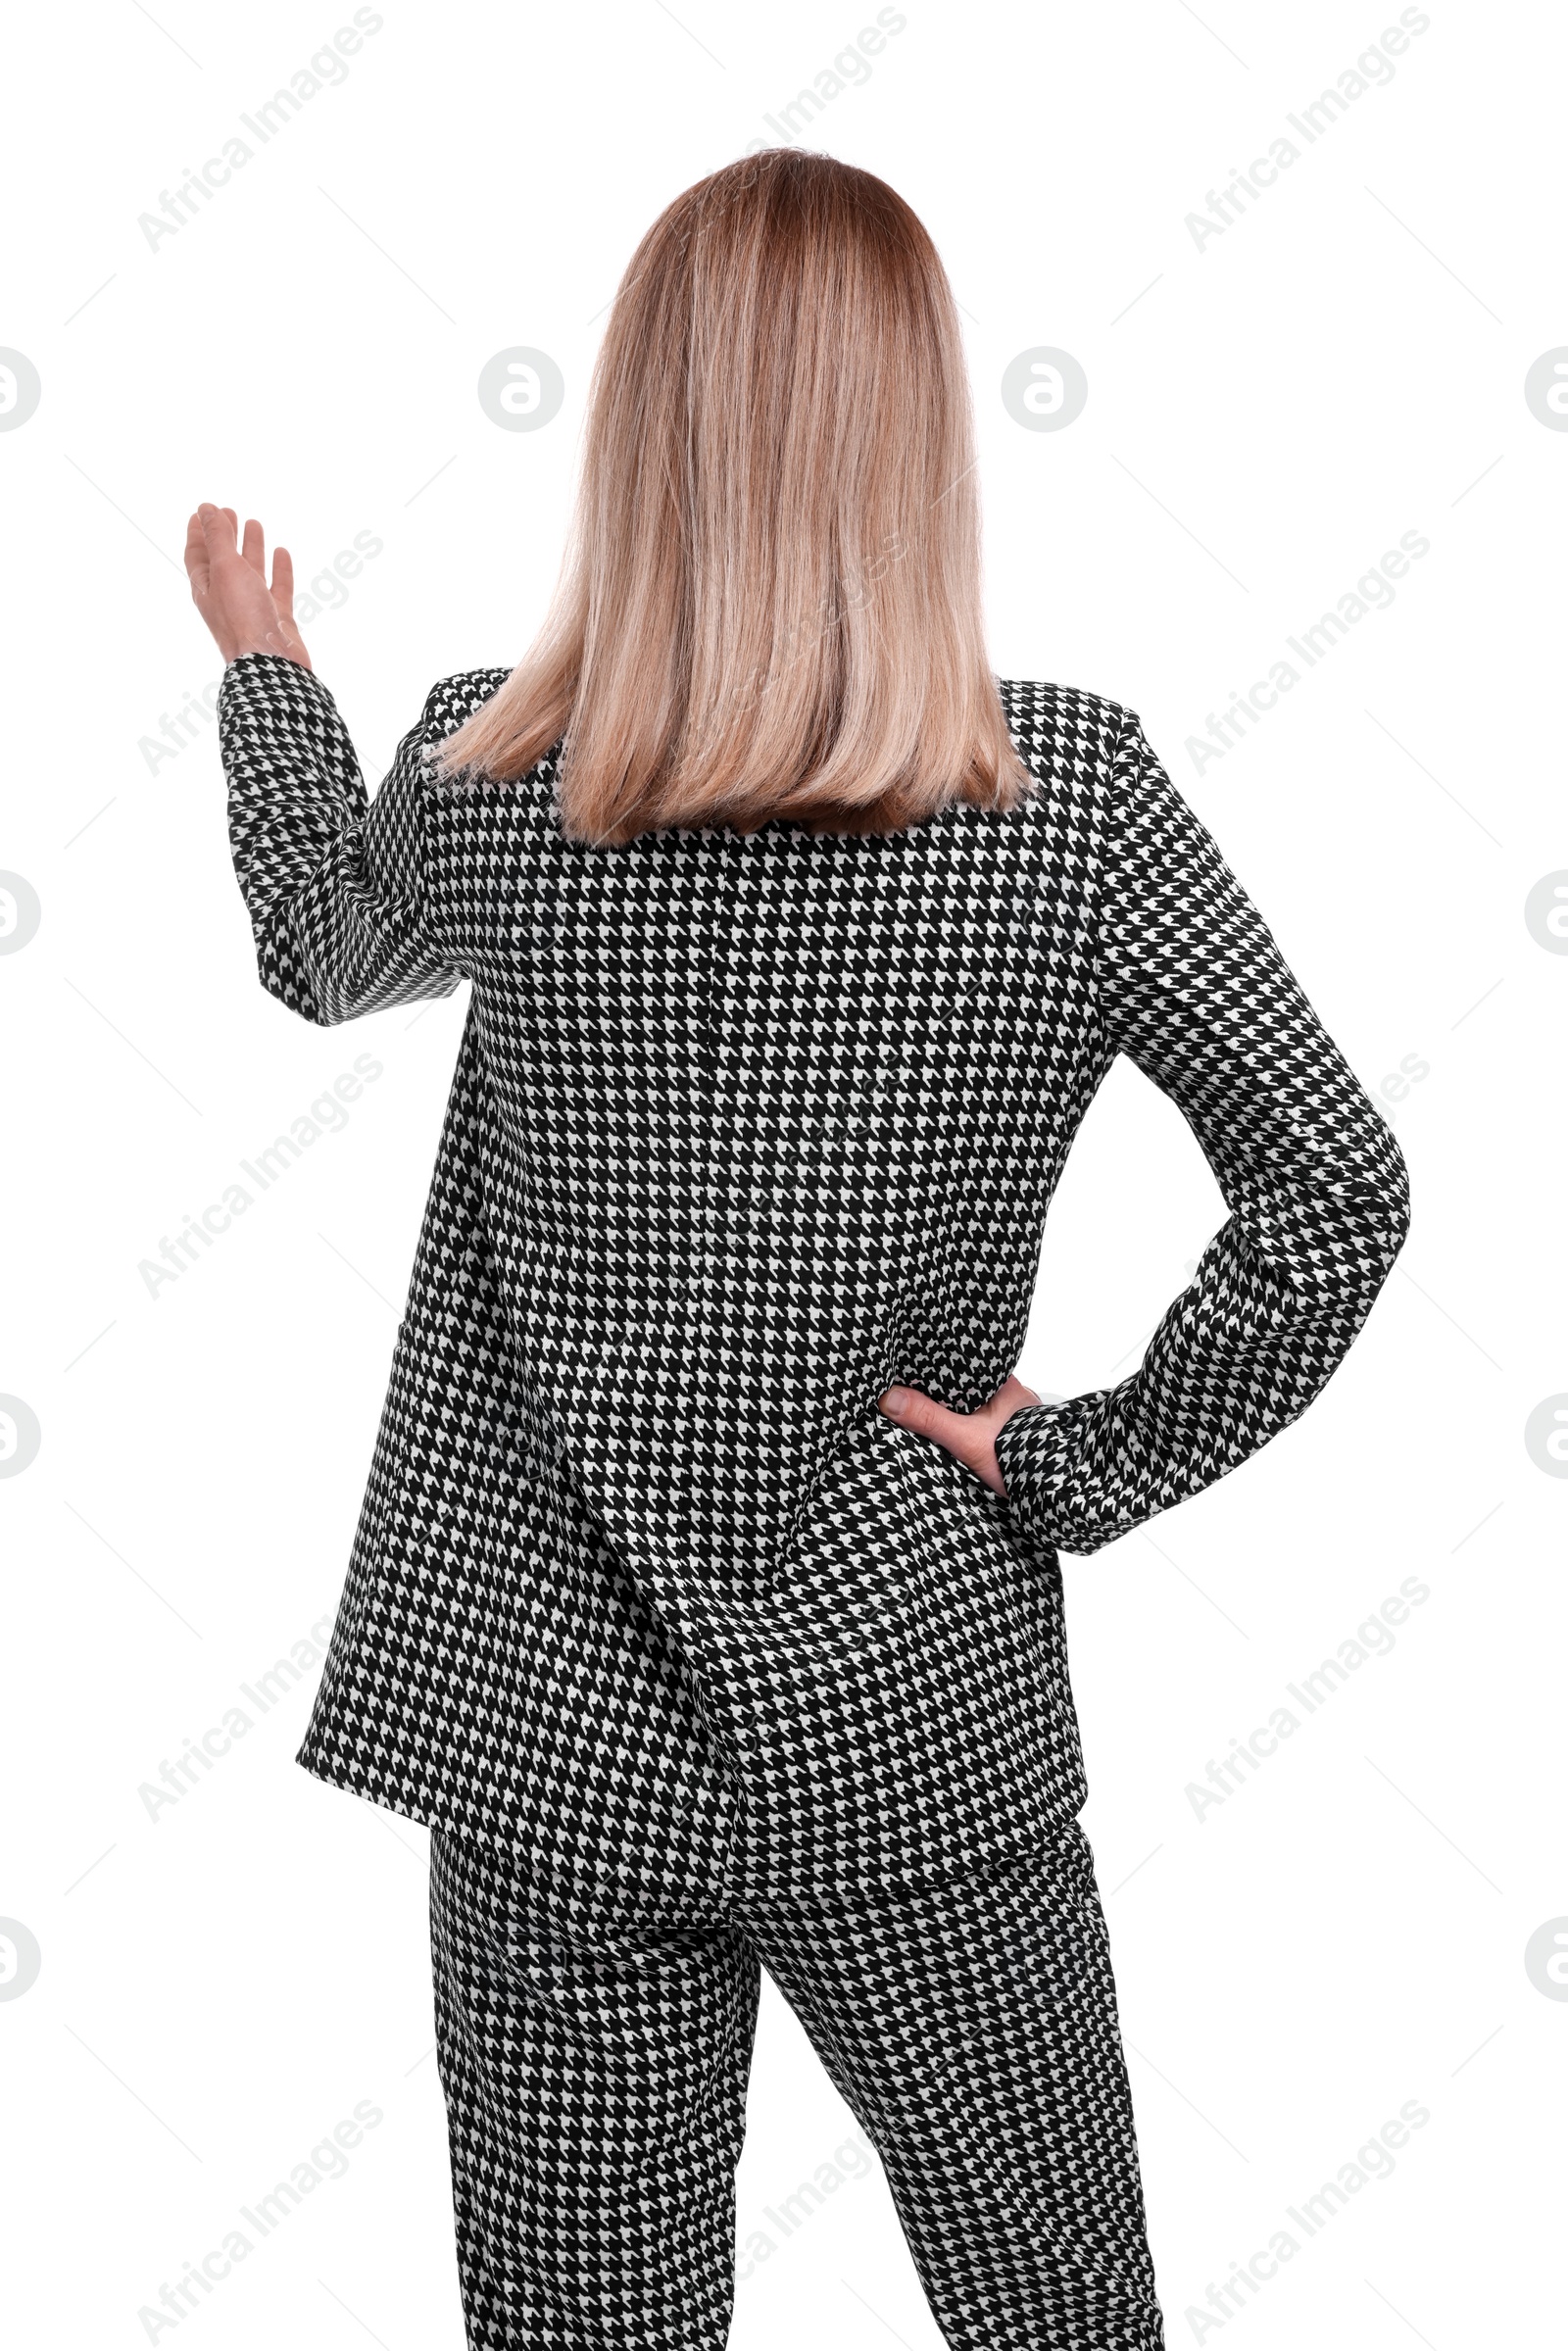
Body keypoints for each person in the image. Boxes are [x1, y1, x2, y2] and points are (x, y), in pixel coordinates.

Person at [184, 148, 1410, 2351]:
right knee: (1063, 2330)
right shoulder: (1071, 805)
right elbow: (1333, 1187)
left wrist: (271, 683)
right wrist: (1078, 1463)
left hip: (549, 1729)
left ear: (638, 427)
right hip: (913, 1706)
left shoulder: (494, 774)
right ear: (920, 441)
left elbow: (321, 948)